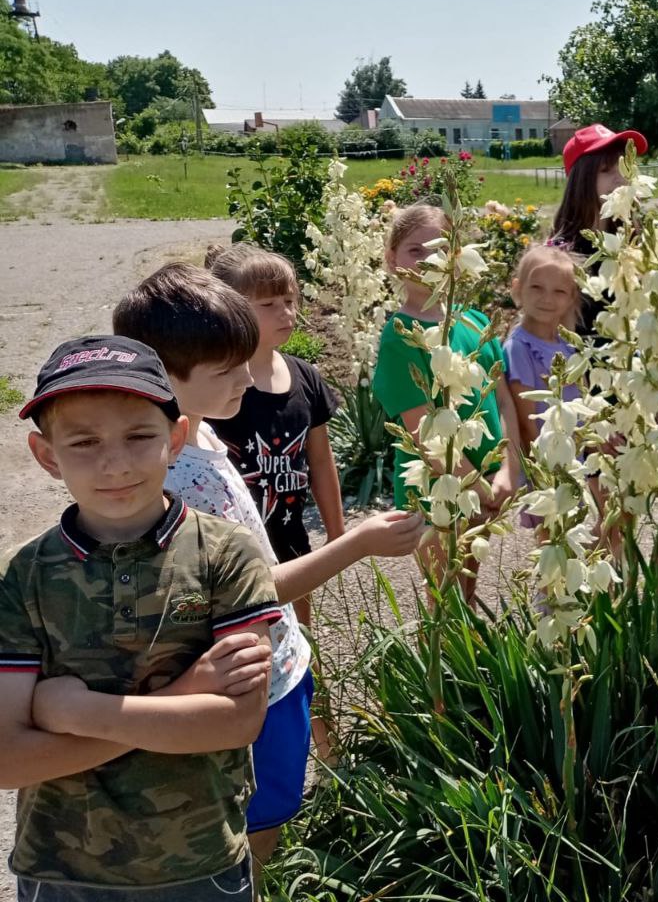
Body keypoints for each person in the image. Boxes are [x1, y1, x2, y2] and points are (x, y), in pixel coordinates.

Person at [112, 264, 425, 883]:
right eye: (225, 371)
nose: (243, 380)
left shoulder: (200, 442)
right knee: (252, 818)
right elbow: (252, 592)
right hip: (250, 679)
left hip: (277, 663)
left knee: (267, 806)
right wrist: (359, 542)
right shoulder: (181, 481)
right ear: (162, 378)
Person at [0, 335, 280, 901]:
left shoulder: (226, 554)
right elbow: (8, 760)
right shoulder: (21, 577)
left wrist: (75, 711)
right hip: (60, 872)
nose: (115, 463)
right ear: (46, 455)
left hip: (201, 866)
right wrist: (181, 695)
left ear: (176, 439)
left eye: (139, 436)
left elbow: (235, 723)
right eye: (83, 442)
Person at [206, 242, 345, 759]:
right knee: (245, 664)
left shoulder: (304, 377)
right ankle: (244, 762)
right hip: (230, 560)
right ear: (229, 308)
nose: (286, 312)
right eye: (268, 304)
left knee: (300, 649)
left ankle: (326, 756)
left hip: (289, 544)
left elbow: (322, 463)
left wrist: (337, 534)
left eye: (290, 299)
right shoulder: (217, 389)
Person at [373, 204, 522, 603]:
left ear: (456, 257)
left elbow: (503, 400)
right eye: (414, 251)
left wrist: (509, 469)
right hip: (438, 484)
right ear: (392, 260)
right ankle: (439, 664)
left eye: (438, 249)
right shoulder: (401, 336)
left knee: (468, 585)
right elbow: (420, 427)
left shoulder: (474, 322)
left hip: (485, 479)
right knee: (444, 595)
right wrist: (474, 481)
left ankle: (466, 658)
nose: (427, 261)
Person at [503, 245, 585, 532]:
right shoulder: (518, 347)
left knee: (572, 535)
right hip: (546, 465)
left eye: (559, 291)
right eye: (536, 287)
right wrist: (546, 472)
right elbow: (527, 420)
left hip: (574, 460)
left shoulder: (567, 346)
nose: (547, 298)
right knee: (552, 540)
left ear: (571, 297)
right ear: (517, 289)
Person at [549, 123, 648, 336]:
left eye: (624, 168)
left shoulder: (636, 243)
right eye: (606, 170)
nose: (620, 178)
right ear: (581, 180)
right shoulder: (560, 254)